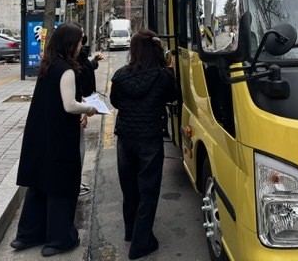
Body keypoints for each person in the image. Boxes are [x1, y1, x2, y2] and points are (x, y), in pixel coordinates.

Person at [11, 23, 98, 257]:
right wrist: (89, 109)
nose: (81, 45)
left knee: (39, 183)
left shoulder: (48, 65)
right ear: (69, 43)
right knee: (60, 186)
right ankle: (58, 240)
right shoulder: (66, 70)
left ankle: (27, 235)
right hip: (60, 135)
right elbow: (69, 105)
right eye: (79, 41)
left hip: (40, 133)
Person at [110, 29, 177, 260]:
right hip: (150, 138)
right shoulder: (163, 75)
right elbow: (172, 97)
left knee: (129, 188)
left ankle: (131, 231)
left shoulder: (120, 75)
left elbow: (115, 102)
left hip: (125, 138)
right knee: (148, 190)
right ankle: (141, 243)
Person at [75, 30, 104, 196]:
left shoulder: (80, 58)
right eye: (80, 39)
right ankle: (73, 184)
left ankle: (75, 182)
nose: (82, 43)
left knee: (80, 147)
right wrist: (85, 109)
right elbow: (76, 90)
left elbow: (87, 68)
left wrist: (94, 61)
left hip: (80, 106)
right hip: (75, 112)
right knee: (77, 148)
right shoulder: (69, 64)